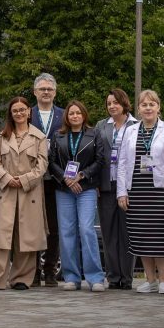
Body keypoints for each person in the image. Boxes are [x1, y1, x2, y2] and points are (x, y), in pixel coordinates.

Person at [0, 97, 49, 291]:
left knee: (26, 235)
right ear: (11, 113)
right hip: (6, 190)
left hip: (30, 192)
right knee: (1, 235)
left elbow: (42, 165)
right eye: (15, 110)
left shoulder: (39, 137)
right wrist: (7, 178)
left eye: (22, 110)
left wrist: (24, 180)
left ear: (29, 112)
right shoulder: (2, 136)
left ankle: (21, 279)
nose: (18, 113)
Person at [116, 89, 164, 295]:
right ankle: (150, 280)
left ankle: (163, 281)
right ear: (139, 108)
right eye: (144, 105)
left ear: (158, 107)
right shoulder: (130, 130)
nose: (148, 108)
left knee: (160, 236)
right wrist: (121, 192)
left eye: (151, 104)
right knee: (141, 235)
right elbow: (123, 162)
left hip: (160, 189)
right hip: (136, 189)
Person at [49, 100, 105, 291]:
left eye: (78, 113)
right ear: (67, 116)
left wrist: (81, 176)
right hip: (64, 189)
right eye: (71, 113)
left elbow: (100, 160)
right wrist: (65, 178)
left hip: (86, 188)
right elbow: (51, 162)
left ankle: (95, 277)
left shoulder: (93, 134)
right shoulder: (59, 135)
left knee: (86, 229)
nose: (74, 116)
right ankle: (71, 277)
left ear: (83, 115)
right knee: (66, 232)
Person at [95, 88, 138, 290]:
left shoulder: (137, 125)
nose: (112, 106)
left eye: (116, 102)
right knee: (109, 233)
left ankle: (127, 277)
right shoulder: (101, 126)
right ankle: (113, 277)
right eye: (109, 103)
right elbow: (95, 157)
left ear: (124, 103)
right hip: (106, 186)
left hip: (128, 187)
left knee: (127, 232)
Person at [29, 73, 64, 286]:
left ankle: (50, 270)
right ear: (35, 92)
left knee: (54, 226)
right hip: (33, 178)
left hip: (56, 178)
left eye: (49, 89)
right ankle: (32, 271)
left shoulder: (64, 115)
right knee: (32, 226)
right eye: (42, 89)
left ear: (55, 92)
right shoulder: (27, 114)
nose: (46, 92)